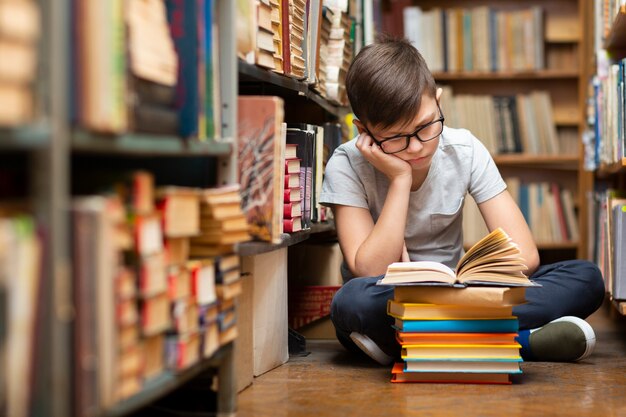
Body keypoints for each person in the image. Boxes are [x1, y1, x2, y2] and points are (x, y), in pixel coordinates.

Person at [319, 35, 605, 365]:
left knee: (585, 278)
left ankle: (413, 344)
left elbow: (526, 256)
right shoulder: (345, 163)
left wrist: (469, 284)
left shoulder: (464, 150)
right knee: (350, 303)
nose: (416, 147)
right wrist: (400, 180)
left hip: (460, 290)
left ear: (438, 101)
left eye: (426, 126)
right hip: (387, 299)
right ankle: (519, 341)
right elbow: (370, 270)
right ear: (363, 131)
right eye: (396, 138)